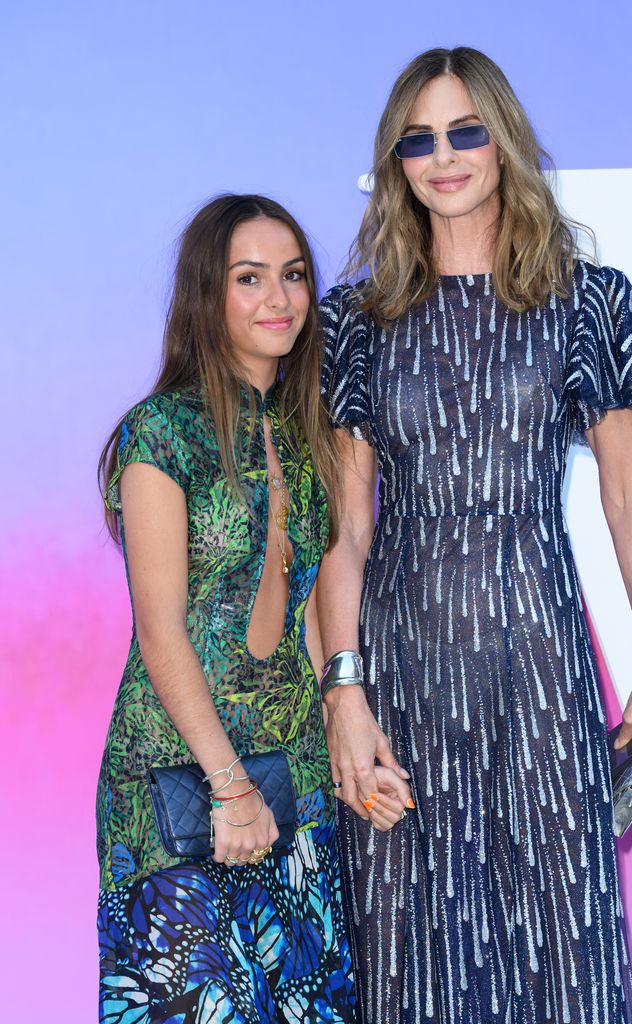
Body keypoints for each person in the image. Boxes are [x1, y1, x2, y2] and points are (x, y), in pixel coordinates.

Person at [317, 47, 632, 1024]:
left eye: (466, 131)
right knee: (409, 952)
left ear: (504, 140)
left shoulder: (586, 300)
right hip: (403, 667)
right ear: (397, 160)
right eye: (419, 139)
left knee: (562, 948)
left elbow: (626, 495)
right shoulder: (358, 320)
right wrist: (343, 693)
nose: (445, 156)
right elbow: (345, 530)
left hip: (537, 665)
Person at [96, 194, 366, 1022]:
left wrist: (345, 724)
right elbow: (160, 629)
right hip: (179, 785)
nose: (278, 299)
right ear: (207, 296)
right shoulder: (160, 434)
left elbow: (317, 603)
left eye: (293, 277)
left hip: (299, 789)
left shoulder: (310, 432)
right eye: (250, 279)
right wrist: (228, 784)